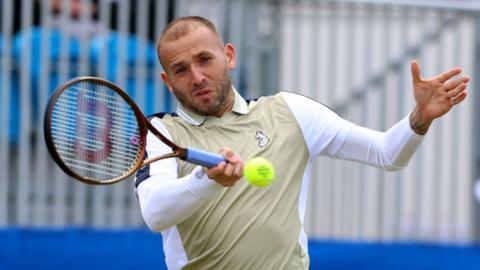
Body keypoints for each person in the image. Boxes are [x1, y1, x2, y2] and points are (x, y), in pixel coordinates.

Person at [134, 16, 469, 270]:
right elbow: (155, 212)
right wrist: (206, 180)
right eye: (181, 69)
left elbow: (386, 153)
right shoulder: (161, 132)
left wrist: (419, 118)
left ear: (229, 56)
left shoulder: (290, 111)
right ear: (167, 81)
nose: (197, 76)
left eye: (205, 60)